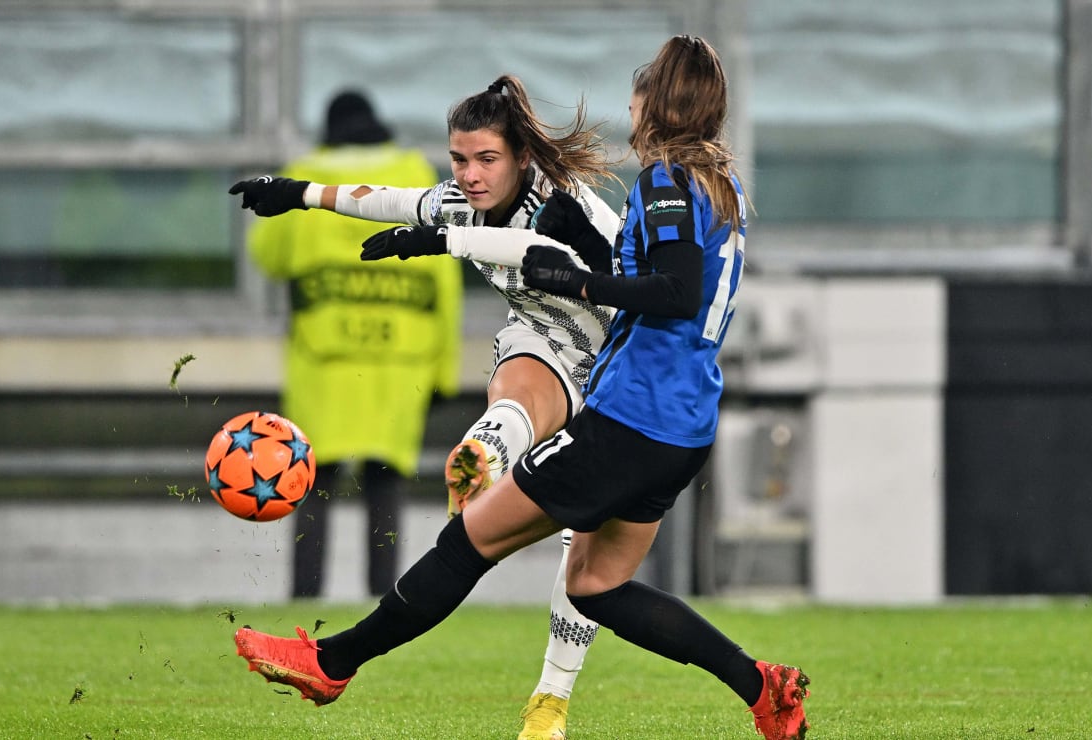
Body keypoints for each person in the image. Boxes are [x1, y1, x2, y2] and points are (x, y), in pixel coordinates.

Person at [231, 35, 811, 740]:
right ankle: (762, 688)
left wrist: (577, 278)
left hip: (629, 416)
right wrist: (299, 194)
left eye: (638, 91)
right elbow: (422, 206)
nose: (628, 105)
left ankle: (332, 661)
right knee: (596, 586)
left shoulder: (664, 179)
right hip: (682, 426)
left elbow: (675, 291)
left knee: (470, 540)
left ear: (657, 102)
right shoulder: (718, 181)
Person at [230, 75, 621, 739]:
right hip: (546, 345)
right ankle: (489, 446)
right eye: (459, 159)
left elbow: (534, 252)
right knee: (513, 386)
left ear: (523, 156)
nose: (468, 176)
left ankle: (561, 700)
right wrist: (295, 194)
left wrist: (444, 241)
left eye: (485, 160)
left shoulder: (560, 207)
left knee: (593, 570)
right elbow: (389, 199)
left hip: (622, 365)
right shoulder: (467, 196)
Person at [243, 90, 464, 598]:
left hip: (324, 361)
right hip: (400, 360)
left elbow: (266, 255)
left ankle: (304, 597)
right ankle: (384, 600)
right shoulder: (413, 172)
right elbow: (444, 284)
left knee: (311, 481)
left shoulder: (304, 172)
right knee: (385, 481)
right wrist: (445, 371)